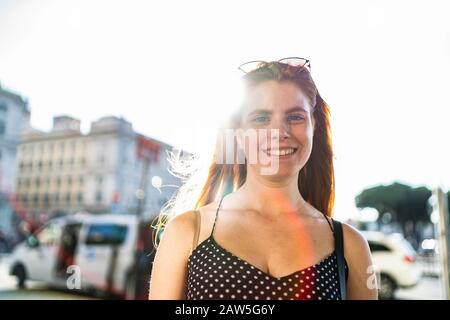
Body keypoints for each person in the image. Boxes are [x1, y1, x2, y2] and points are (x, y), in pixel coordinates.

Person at [149, 58, 378, 300]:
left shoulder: (350, 246)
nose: (279, 132)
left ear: (314, 125)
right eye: (261, 118)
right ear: (238, 133)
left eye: (295, 117)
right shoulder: (187, 231)